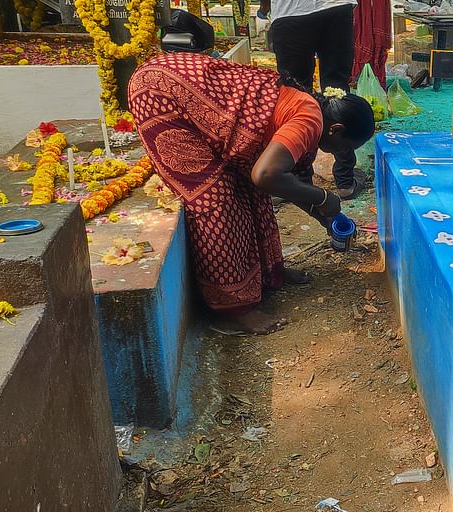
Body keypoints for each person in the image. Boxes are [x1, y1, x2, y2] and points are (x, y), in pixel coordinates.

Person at [128, 52, 376, 335]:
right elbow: (266, 175)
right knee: (216, 198)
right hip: (162, 93)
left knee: (249, 190)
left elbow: (289, 182)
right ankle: (233, 310)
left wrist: (325, 217)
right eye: (346, 147)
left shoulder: (312, 111)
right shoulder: (309, 120)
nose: (343, 154)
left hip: (183, 85)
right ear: (336, 130)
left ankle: (269, 272)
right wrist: (323, 197)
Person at [237, 0, 365, 200]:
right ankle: (345, 180)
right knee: (336, 91)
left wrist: (266, 1)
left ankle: (298, 180)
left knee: (294, 96)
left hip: (292, 1)